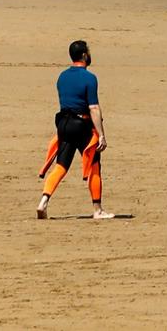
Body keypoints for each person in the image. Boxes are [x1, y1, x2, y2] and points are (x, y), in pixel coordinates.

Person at [36, 39, 113, 220]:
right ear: (85, 55)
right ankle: (98, 210)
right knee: (94, 164)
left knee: (61, 166)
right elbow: (93, 108)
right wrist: (101, 135)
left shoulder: (62, 76)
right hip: (81, 125)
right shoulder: (89, 78)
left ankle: (43, 201)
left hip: (63, 124)